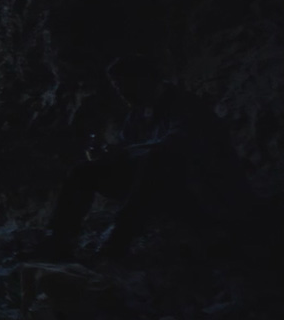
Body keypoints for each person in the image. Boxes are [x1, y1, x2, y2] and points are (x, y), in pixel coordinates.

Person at [36, 54, 250, 260]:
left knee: (156, 161)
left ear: (146, 79)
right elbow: (129, 145)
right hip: (150, 180)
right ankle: (58, 240)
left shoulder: (184, 105)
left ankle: (119, 237)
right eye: (118, 88)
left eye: (126, 86)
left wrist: (128, 152)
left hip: (197, 181)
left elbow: (178, 146)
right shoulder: (138, 113)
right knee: (84, 171)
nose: (122, 94)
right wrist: (110, 155)